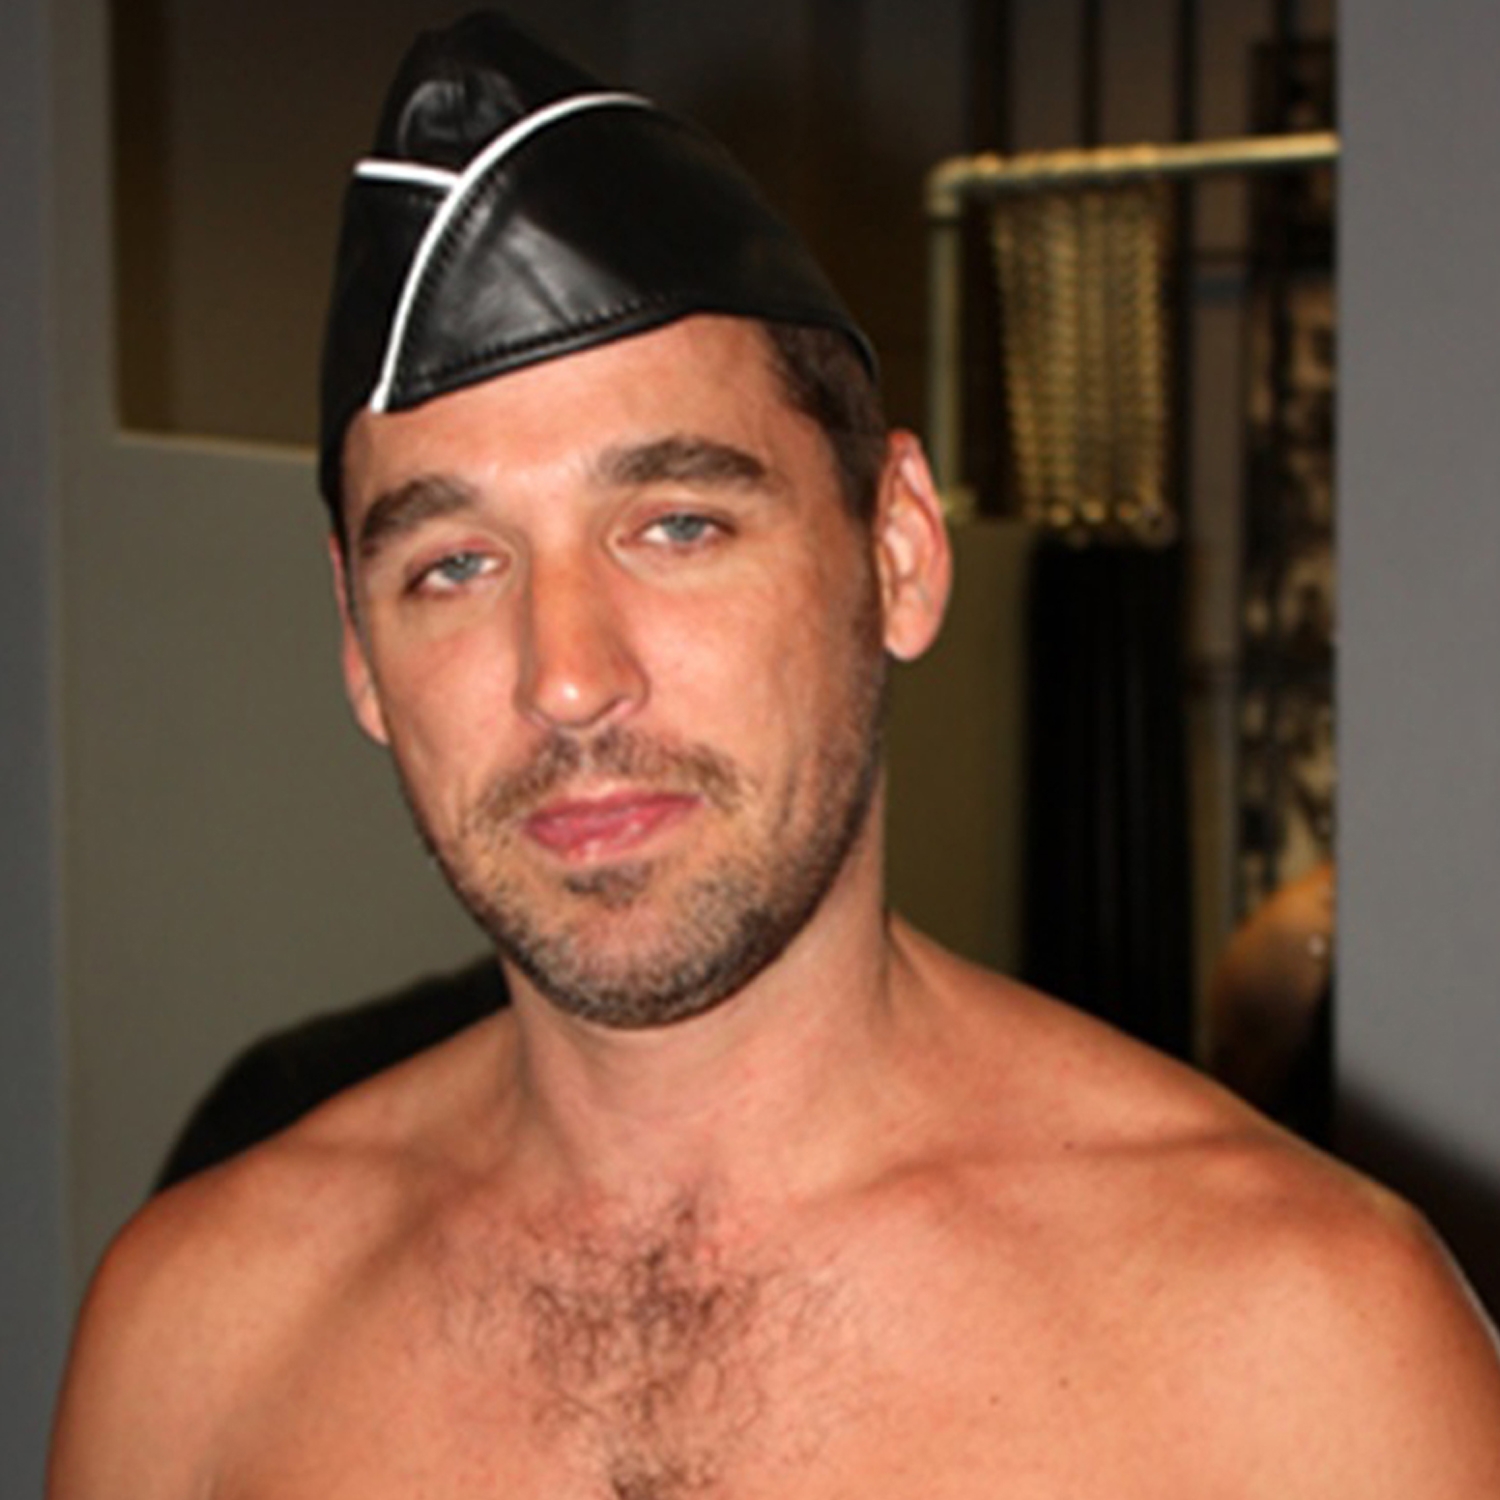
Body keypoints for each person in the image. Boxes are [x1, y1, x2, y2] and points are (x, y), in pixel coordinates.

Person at [49, 12, 1500, 1497]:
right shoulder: (200, 1337)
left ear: (899, 549)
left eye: (677, 526)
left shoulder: (1306, 1351)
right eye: (455, 565)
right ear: (360, 648)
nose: (566, 677)